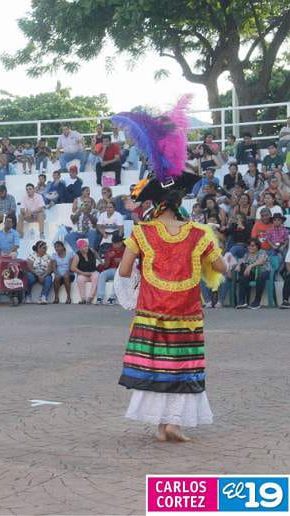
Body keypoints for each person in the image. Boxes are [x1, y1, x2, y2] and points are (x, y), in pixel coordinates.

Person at [114, 99, 227, 442]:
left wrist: (144, 274)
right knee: (182, 365)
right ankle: (173, 423)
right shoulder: (198, 234)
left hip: (152, 312)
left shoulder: (142, 233)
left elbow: (121, 271)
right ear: (181, 202)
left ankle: (160, 423)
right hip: (187, 314)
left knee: (155, 366)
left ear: (156, 203)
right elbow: (221, 267)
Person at [235, 238, 270, 309]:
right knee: (243, 277)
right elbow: (241, 261)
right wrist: (238, 265)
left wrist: (250, 266)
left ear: (257, 246)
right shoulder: (247, 254)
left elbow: (261, 261)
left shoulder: (262, 252)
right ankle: (242, 302)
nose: (250, 247)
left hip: (263, 272)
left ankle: (257, 302)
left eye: (253, 245)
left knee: (260, 277)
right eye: (249, 246)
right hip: (253, 273)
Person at [95, 233, 124, 304]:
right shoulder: (110, 250)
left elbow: (130, 263)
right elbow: (106, 266)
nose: (114, 245)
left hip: (122, 271)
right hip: (112, 270)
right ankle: (100, 297)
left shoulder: (126, 250)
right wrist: (109, 258)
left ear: (121, 243)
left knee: (118, 275)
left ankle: (112, 297)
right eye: (113, 243)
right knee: (102, 274)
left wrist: (122, 261)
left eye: (116, 243)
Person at [70, 239, 99, 304]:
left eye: (87, 246)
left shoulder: (91, 250)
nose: (86, 248)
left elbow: (96, 254)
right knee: (79, 279)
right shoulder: (77, 255)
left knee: (96, 275)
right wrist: (84, 273)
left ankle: (90, 297)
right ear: (80, 248)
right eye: (84, 246)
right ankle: (83, 299)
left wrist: (101, 261)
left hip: (93, 272)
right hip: (83, 274)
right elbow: (72, 268)